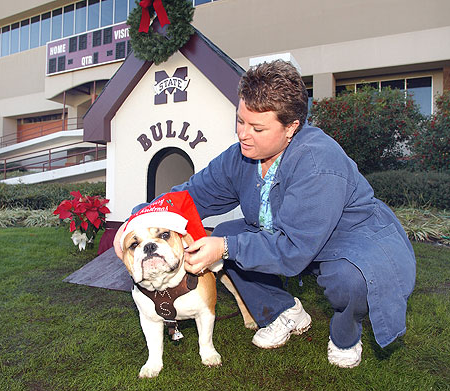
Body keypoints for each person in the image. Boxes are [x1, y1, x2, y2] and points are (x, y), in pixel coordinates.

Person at [115, 60, 416, 368]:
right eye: (240, 121)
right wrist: (135, 220)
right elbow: (188, 196)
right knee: (223, 236)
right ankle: (284, 311)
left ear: (291, 128)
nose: (243, 134)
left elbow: (294, 249)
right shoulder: (242, 158)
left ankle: (346, 332)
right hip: (290, 238)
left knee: (350, 282)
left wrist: (225, 248)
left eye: (257, 128)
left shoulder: (317, 163)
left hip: (352, 241)